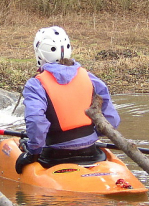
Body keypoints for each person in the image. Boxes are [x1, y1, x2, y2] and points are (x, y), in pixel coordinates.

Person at [15, 26, 121, 174]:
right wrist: (89, 138)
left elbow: (36, 121)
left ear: (39, 53)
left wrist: (33, 151)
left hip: (54, 157)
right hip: (90, 152)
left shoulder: (36, 84)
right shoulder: (89, 77)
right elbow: (112, 120)